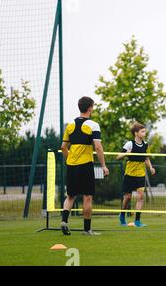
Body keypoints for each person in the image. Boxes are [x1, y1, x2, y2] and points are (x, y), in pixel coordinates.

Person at [61, 96, 109, 236]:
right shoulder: (93, 125)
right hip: (85, 165)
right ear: (90, 109)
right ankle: (87, 230)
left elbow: (63, 147)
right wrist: (104, 166)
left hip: (72, 165)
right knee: (87, 196)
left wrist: (69, 160)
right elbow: (98, 147)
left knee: (70, 196)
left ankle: (64, 221)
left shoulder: (70, 125)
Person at [117, 122, 156, 227]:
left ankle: (137, 221)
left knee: (140, 197)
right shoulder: (129, 144)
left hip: (140, 174)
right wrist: (127, 153)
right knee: (128, 197)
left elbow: (146, 158)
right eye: (142, 131)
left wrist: (151, 167)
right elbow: (118, 156)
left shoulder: (146, 144)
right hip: (129, 174)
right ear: (136, 133)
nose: (144, 133)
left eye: (144, 131)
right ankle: (122, 215)